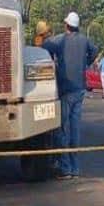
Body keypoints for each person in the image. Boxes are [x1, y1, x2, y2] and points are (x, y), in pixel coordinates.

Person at [42, 12, 97, 179]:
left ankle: (65, 169)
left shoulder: (60, 40)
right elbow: (94, 51)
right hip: (80, 89)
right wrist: (85, 63)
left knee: (63, 130)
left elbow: (44, 46)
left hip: (66, 90)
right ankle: (75, 168)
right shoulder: (84, 40)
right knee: (75, 130)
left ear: (67, 25)